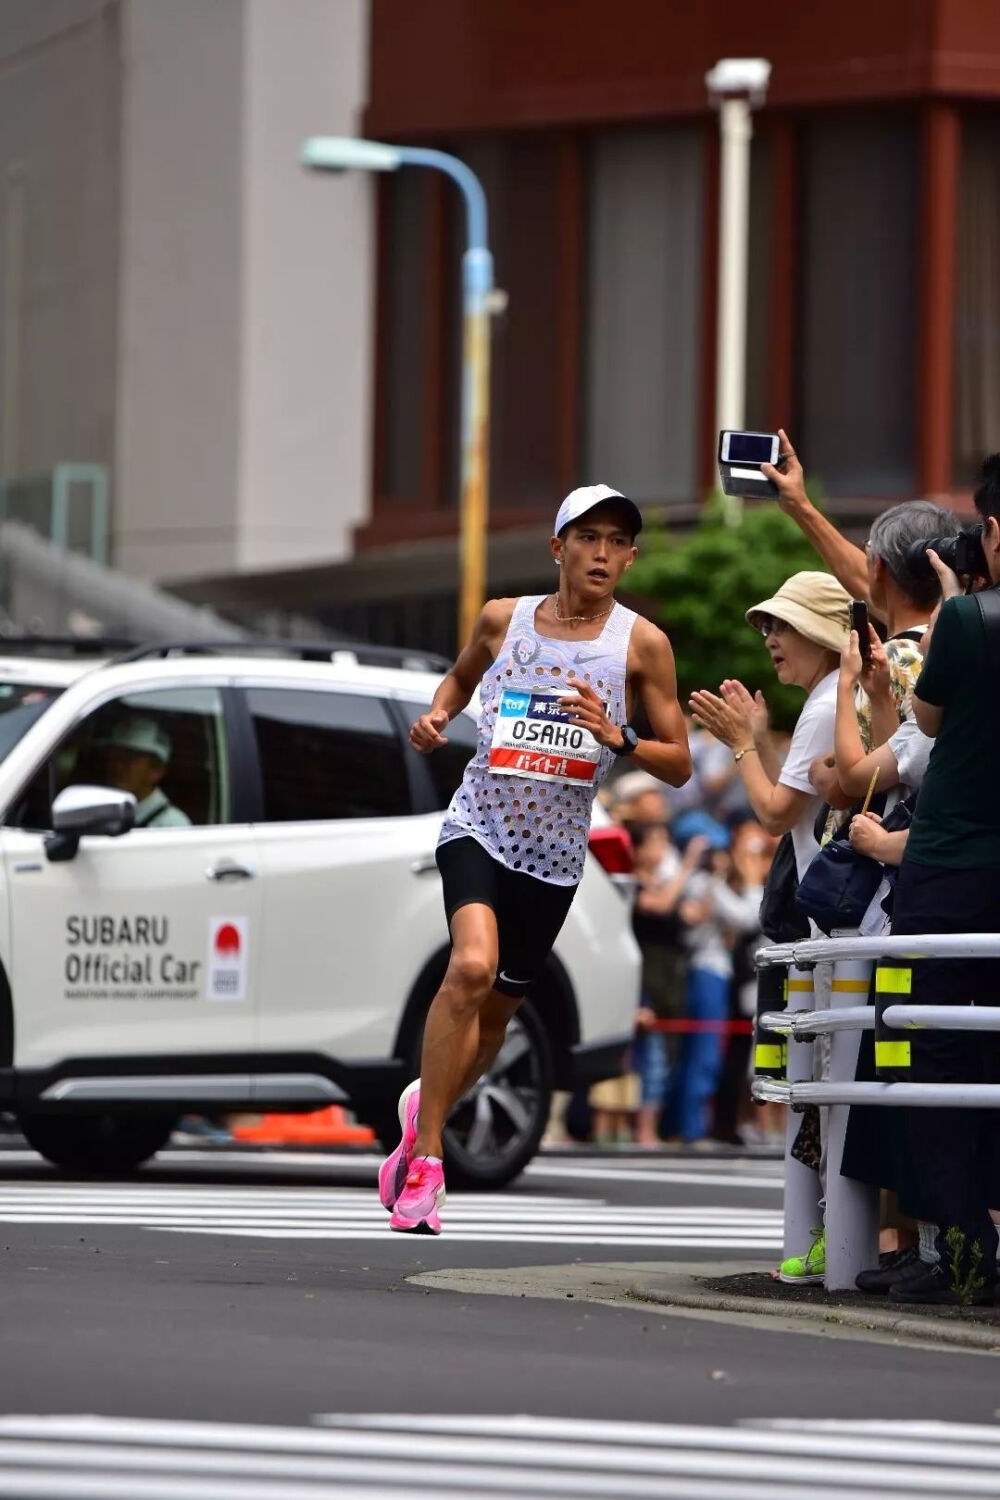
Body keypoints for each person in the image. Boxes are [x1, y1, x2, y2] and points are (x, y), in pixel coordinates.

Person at [381, 484, 692, 1233]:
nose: (604, 554)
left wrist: (617, 738)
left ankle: (426, 1110)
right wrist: (436, 716)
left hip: (552, 858)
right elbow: (460, 677)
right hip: (479, 826)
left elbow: (678, 762)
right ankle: (426, 1161)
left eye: (619, 542)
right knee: (471, 967)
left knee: (494, 1028)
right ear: (558, 547)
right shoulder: (503, 618)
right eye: (590, 538)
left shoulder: (641, 643)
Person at [866, 454, 1000, 1305]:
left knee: (927, 1047)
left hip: (951, 865)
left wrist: (955, 603)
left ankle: (959, 1246)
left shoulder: (970, 621)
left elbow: (929, 715)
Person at [761, 431, 956, 818]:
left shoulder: (887, 660)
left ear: (879, 567)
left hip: (873, 864)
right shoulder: (953, 647)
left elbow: (848, 786)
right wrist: (800, 506)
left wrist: (823, 771)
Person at [93, 717, 190, 828]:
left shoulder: (172, 824)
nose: (117, 765)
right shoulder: (99, 810)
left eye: (129, 758)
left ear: (156, 771)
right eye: (114, 756)